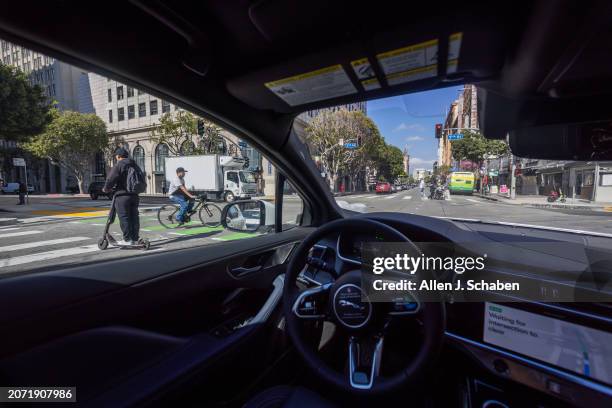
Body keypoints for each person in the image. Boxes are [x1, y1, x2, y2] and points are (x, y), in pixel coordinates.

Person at [102, 147, 141, 245]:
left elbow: (111, 179)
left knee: (124, 217)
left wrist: (106, 188)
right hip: (134, 195)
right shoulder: (134, 164)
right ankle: (135, 238)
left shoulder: (119, 165)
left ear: (118, 156)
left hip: (122, 195)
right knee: (134, 217)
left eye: (116, 156)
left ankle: (127, 239)